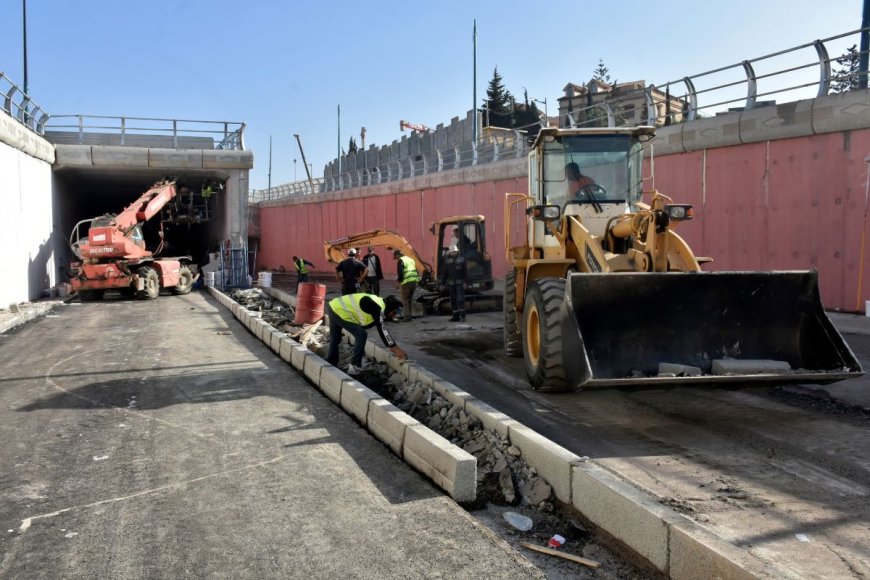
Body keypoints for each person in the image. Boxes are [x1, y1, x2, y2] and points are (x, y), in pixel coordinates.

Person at [325, 292, 408, 375]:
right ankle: (354, 367)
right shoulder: (376, 307)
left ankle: (331, 362)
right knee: (361, 334)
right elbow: (382, 329)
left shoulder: (378, 304)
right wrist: (394, 348)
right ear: (390, 308)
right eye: (394, 313)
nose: (393, 316)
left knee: (335, 337)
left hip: (333, 306)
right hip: (339, 310)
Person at [441, 244, 468, 322]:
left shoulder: (462, 260)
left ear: (457, 252)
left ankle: (462, 316)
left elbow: (465, 272)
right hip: (451, 284)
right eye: (452, 252)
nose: (453, 253)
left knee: (460, 299)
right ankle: (455, 316)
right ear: (450, 253)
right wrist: (442, 283)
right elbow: (445, 274)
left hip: (460, 284)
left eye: (455, 252)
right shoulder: (447, 261)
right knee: (453, 300)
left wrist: (466, 282)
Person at [393, 249, 420, 322]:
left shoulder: (401, 260)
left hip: (406, 282)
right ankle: (410, 315)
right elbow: (416, 271)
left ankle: (407, 317)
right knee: (410, 300)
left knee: (405, 300)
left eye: (395, 257)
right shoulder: (411, 260)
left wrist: (398, 283)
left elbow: (400, 273)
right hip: (413, 281)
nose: (396, 258)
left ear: (398, 255)